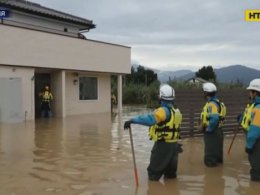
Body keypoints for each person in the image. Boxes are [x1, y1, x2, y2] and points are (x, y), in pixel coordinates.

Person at [124, 84, 183, 181]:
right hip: (174, 146)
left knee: (153, 175)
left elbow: (150, 120)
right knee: (170, 176)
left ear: (162, 97)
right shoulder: (176, 111)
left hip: (163, 146)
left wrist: (132, 120)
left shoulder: (163, 111)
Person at [199, 82, 226, 167]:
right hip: (219, 131)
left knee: (210, 159)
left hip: (213, 132)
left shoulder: (211, 104)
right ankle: (218, 176)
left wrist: (208, 129)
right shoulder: (219, 103)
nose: (203, 94)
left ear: (206, 93)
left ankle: (211, 176)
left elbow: (214, 119)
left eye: (203, 92)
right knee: (217, 156)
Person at [239, 79, 260, 181]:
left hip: (256, 142)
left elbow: (254, 131)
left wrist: (249, 146)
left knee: (256, 170)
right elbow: (250, 119)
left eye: (250, 91)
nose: (249, 93)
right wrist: (241, 118)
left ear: (255, 93)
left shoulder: (258, 108)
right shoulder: (255, 106)